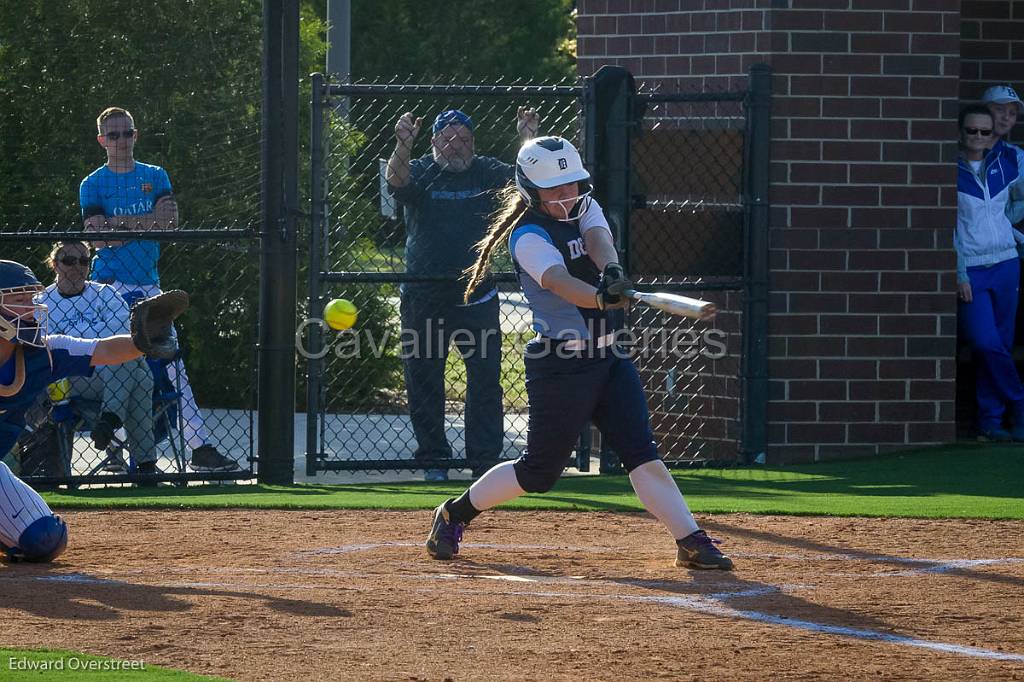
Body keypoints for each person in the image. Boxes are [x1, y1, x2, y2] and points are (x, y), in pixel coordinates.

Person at [424, 136, 734, 570]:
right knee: (538, 473)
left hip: (610, 358)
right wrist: (602, 299)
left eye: (572, 184)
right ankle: (454, 513)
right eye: (555, 189)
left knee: (641, 451)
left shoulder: (585, 205)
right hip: (560, 364)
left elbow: (598, 238)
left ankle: (690, 539)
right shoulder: (528, 236)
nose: (567, 195)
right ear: (530, 191)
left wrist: (612, 271)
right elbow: (556, 281)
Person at [80, 106, 238, 472]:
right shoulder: (93, 183)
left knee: (172, 367)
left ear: (136, 135)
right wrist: (141, 223)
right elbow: (98, 240)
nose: (122, 141)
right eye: (113, 135)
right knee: (117, 365)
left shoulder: (155, 175)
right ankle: (115, 455)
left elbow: (169, 223)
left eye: (127, 133)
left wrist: (118, 223)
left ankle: (200, 449)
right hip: (110, 289)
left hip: (150, 289)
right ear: (102, 140)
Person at [386, 106, 539, 481]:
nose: (456, 146)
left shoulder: (486, 170)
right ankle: (434, 460)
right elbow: (396, 181)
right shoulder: (422, 169)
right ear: (435, 140)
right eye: (448, 139)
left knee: (486, 380)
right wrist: (403, 144)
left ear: (473, 143)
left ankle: (484, 463)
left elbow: (529, 184)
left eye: (464, 140)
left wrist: (527, 139)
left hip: (478, 295)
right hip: (424, 296)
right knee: (424, 379)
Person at [0, 259, 187, 561]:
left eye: (31, 299)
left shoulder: (43, 354)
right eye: (19, 301)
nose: (32, 308)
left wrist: (141, 343)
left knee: (46, 539)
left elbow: (102, 350)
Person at [39, 241, 157, 475]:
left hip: (108, 373)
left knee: (129, 361)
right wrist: (98, 338)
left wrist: (74, 340)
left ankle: (110, 421)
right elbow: (45, 345)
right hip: (68, 380)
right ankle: (145, 466)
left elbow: (123, 334)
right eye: (69, 261)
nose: (77, 267)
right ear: (54, 265)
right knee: (139, 376)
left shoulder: (105, 293)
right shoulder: (42, 302)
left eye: (84, 261)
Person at [955, 103, 1024, 442]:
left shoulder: (1006, 161)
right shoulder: (950, 169)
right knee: (985, 343)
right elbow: (949, 229)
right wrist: (959, 273)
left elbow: (1016, 201)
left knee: (1001, 344)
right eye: (972, 131)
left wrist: (1010, 230)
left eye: (985, 131)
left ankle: (990, 421)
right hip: (972, 269)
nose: (979, 137)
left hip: (1007, 264)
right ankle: (1021, 403)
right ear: (960, 132)